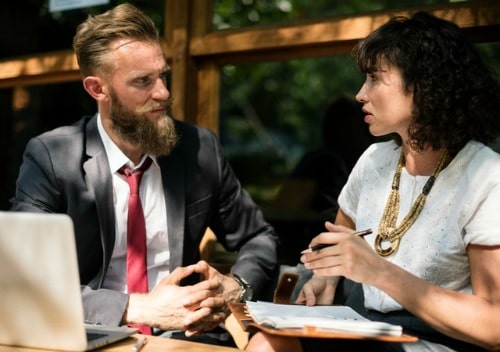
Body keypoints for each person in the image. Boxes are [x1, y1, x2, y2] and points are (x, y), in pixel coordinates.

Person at [10, 3, 279, 346]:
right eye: (143, 81)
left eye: (162, 75)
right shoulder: (52, 157)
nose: (163, 92)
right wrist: (139, 308)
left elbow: (259, 237)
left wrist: (237, 286)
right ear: (98, 89)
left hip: (187, 337)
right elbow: (25, 279)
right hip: (90, 336)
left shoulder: (199, 149)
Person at [246, 11, 500, 352]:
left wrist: (378, 271)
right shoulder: (374, 160)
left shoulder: (486, 176)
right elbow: (338, 241)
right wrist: (325, 276)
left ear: (424, 86)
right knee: (267, 343)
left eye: (374, 79)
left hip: (438, 343)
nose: (360, 94)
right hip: (365, 330)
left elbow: (493, 325)